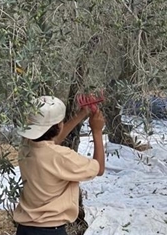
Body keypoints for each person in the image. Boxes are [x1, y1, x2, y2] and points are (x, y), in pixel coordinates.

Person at [12, 96, 106, 235]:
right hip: (50, 230)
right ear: (58, 126)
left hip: (25, 229)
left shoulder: (26, 146)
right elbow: (99, 168)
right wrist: (97, 131)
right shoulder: (61, 157)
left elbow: (52, 141)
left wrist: (81, 114)